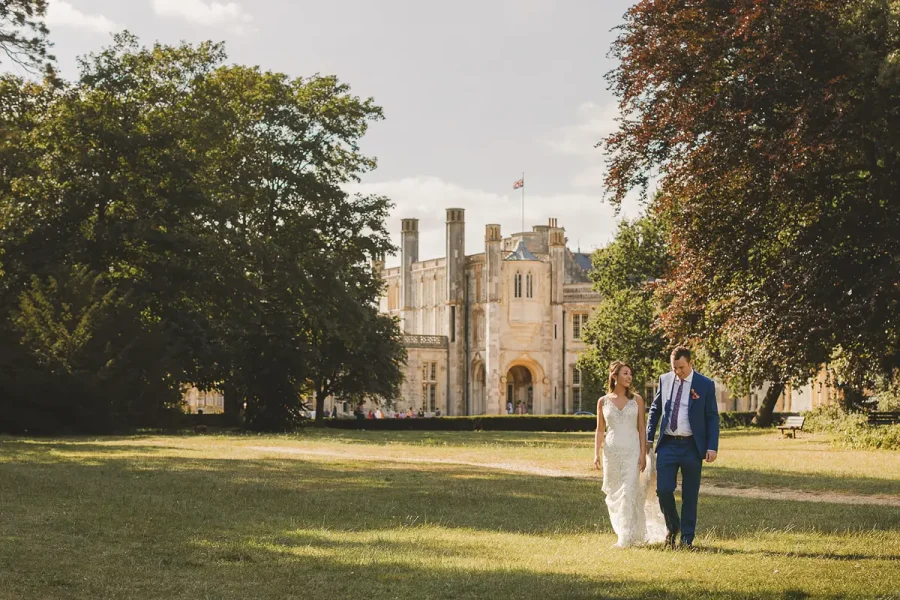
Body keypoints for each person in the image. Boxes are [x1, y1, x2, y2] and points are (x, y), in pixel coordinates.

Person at [647, 346, 720, 549]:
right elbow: (655, 408)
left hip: (692, 446)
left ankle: (687, 539)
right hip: (668, 444)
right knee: (663, 489)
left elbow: (712, 417)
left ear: (690, 364)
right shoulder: (665, 379)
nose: (677, 372)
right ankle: (673, 526)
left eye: (681, 367)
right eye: (674, 368)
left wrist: (712, 446)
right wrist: (649, 436)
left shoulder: (705, 384)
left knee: (690, 495)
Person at [594, 361, 667, 548]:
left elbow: (642, 428)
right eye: (625, 373)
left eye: (630, 374)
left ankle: (625, 538)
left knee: (629, 491)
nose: (629, 377)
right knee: (614, 493)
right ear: (614, 376)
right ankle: (626, 531)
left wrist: (643, 453)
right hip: (611, 453)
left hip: (633, 451)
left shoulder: (638, 400)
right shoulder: (603, 401)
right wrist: (596, 453)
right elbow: (600, 430)